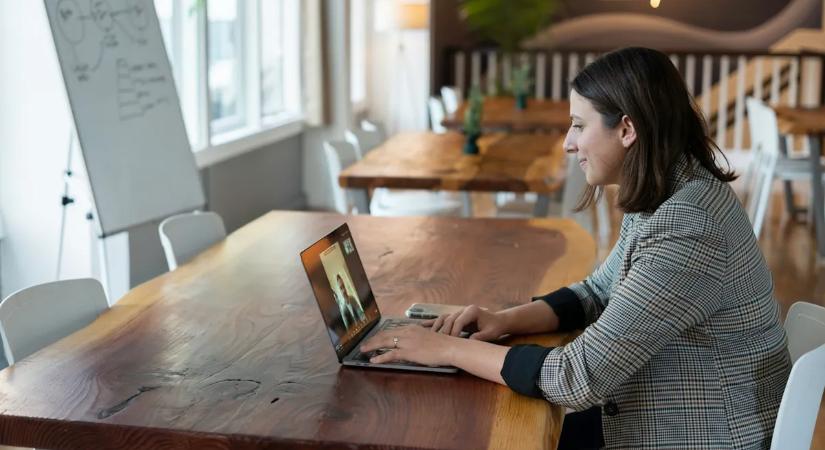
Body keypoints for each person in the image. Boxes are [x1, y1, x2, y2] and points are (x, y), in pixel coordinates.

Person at [360, 47, 791, 449]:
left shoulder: (690, 224)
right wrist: (503, 320)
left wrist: (446, 350)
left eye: (579, 125)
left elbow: (578, 377)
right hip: (668, 413)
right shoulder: (669, 188)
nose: (568, 142)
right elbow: (597, 292)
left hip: (705, 434)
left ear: (626, 129)